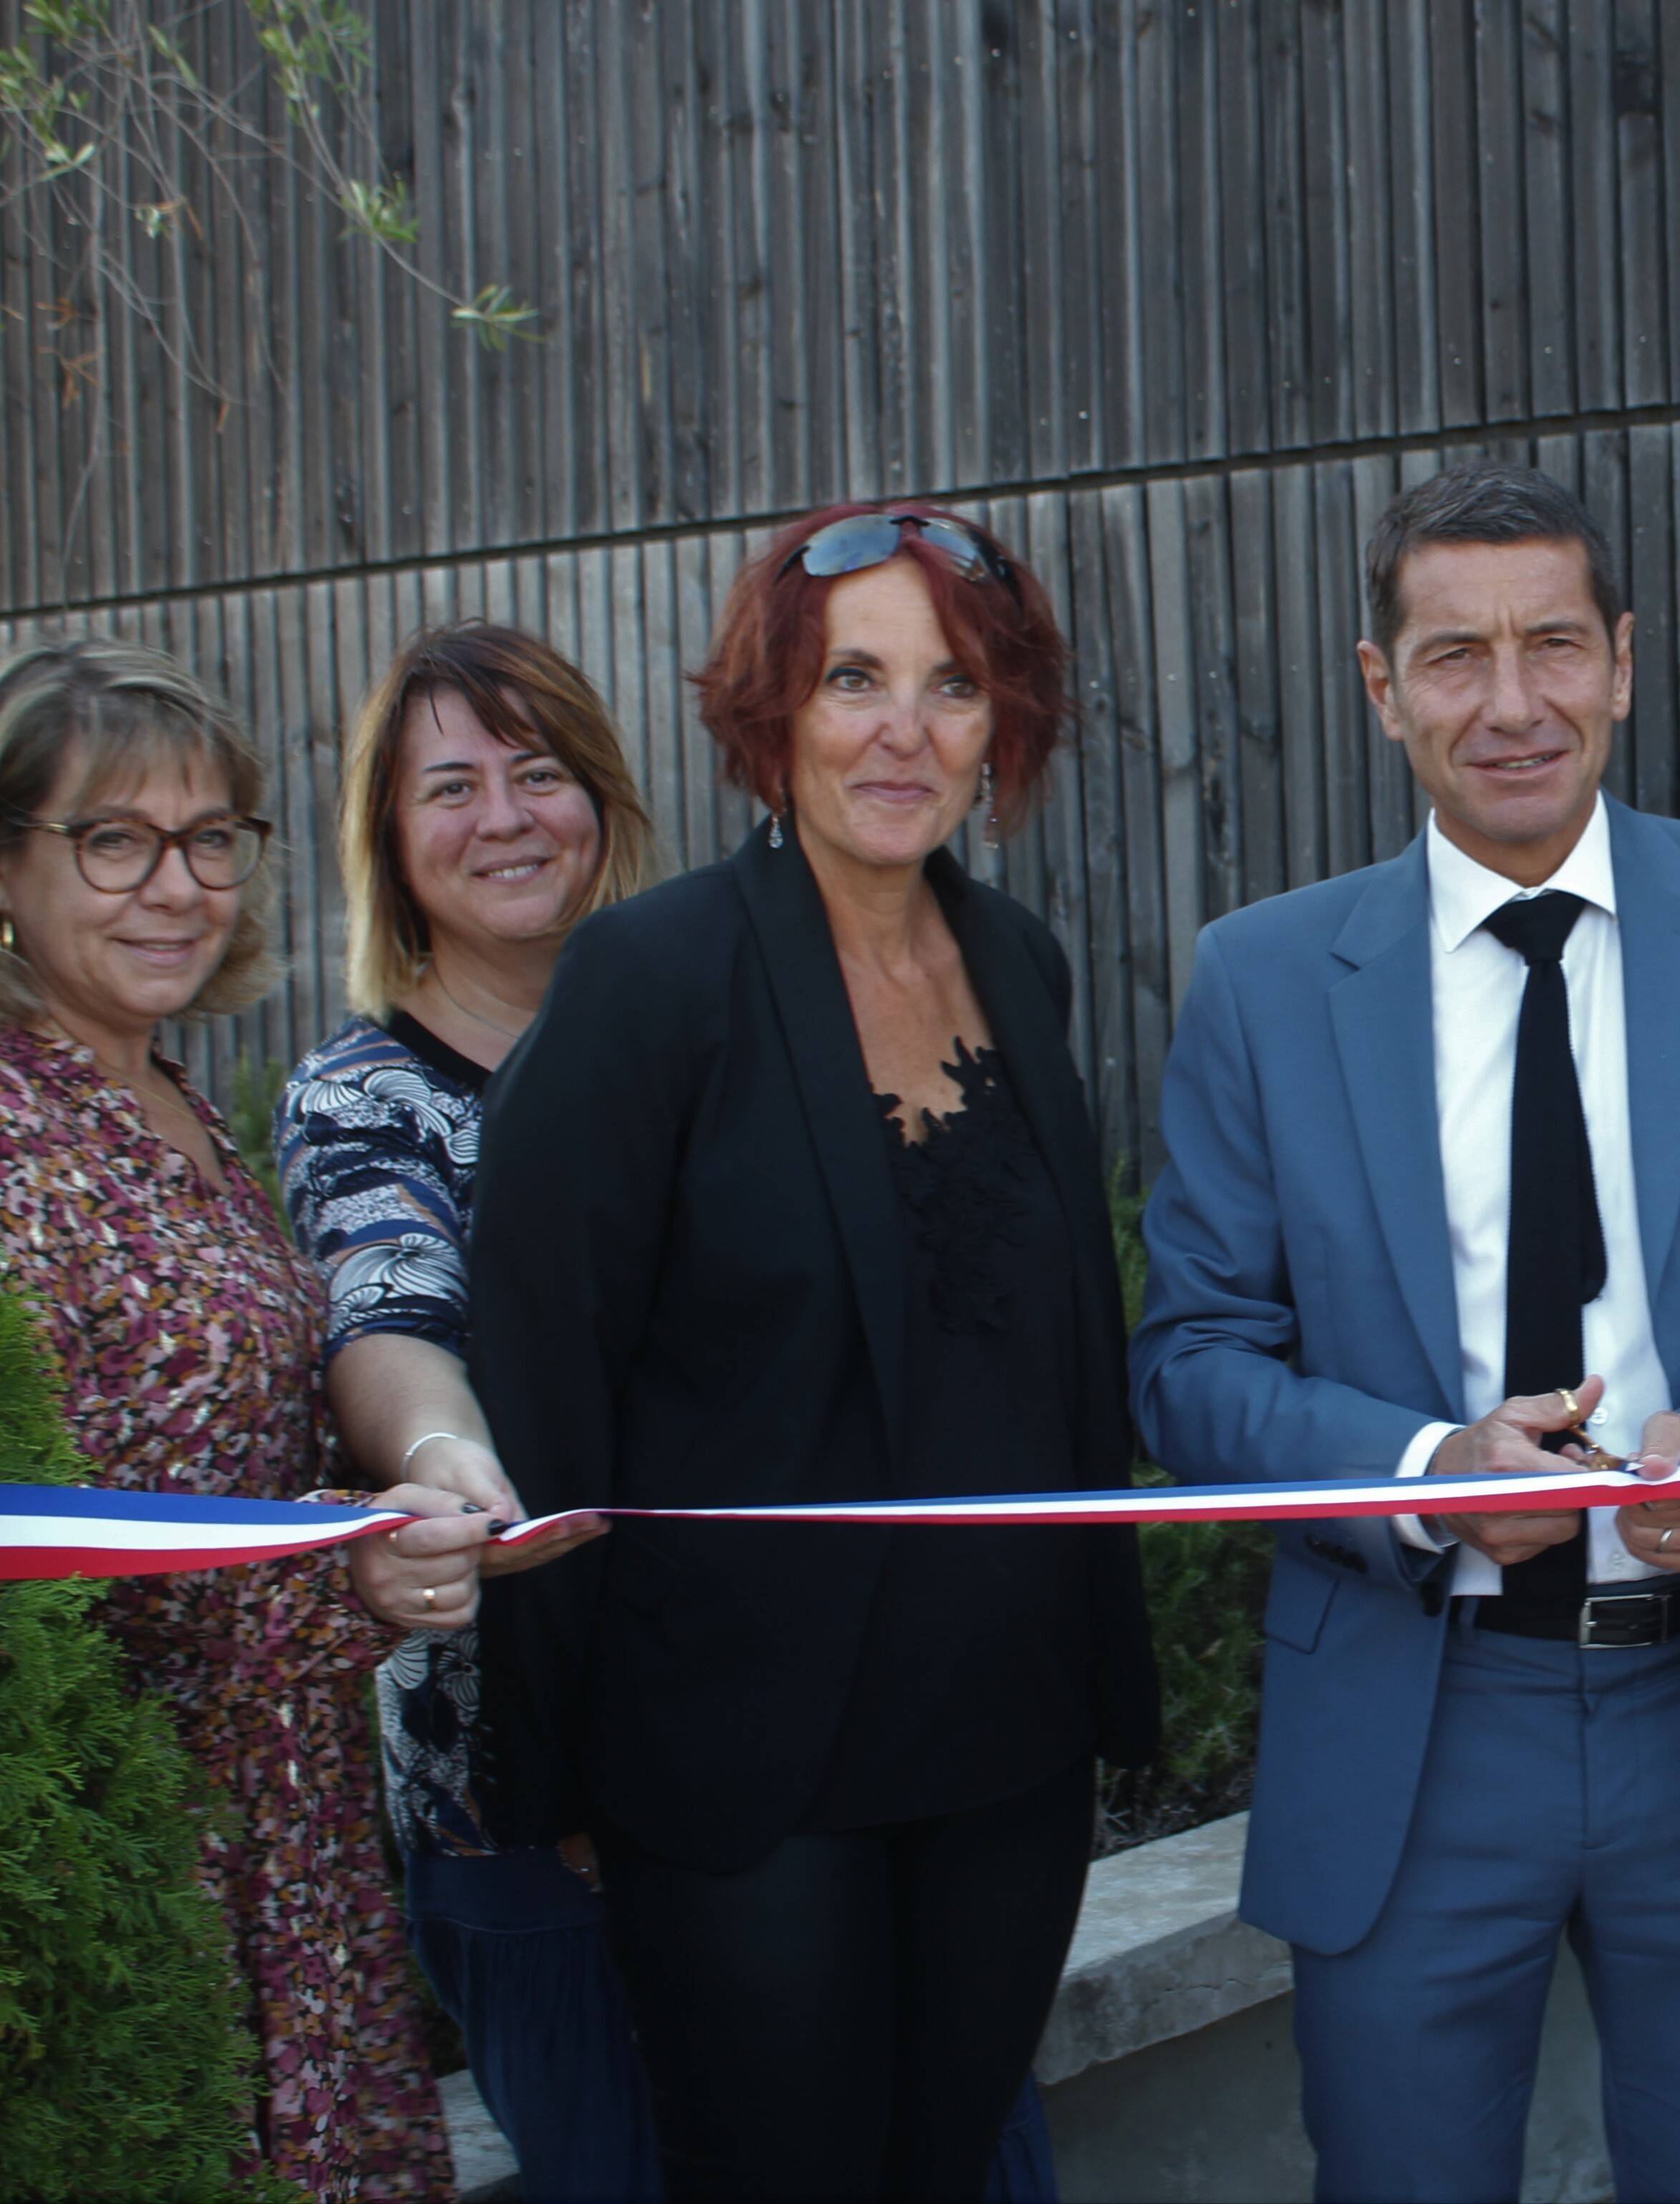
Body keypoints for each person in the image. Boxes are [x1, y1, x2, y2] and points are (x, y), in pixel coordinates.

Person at [1130, 463, 1680, 2203]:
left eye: (1554, 646)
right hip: (1418, 1718)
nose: (1511, 704)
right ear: (1381, 687)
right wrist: (1426, 1473)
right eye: (1454, 657)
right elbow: (1193, 1359)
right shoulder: (1265, 980)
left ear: (1626, 661)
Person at [467, 503, 1162, 2201]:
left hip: (1009, 1748)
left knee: (943, 2170)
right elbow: (544, 1377)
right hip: (744, 1764)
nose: (904, 733)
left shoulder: (1023, 965)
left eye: (956, 686)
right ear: (774, 708)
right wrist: (552, 1768)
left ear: (1007, 724)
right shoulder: (653, 975)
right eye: (856, 678)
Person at [0, 640, 453, 2202]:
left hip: (293, 1830)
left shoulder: (173, 1096)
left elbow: (230, 1434)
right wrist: (347, 1576)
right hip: (122, 1860)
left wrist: (418, 1482)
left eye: (212, 837)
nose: (176, 885)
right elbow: (24, 1568)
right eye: (115, 839)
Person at [273, 621, 661, 2200]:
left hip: (775, 1747)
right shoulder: (365, 1096)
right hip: (522, 1799)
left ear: (604, 801)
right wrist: (446, 1454)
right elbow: (387, 1304)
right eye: (451, 785)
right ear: (390, 839)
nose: (504, 816)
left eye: (540, 771)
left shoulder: (710, 1043)